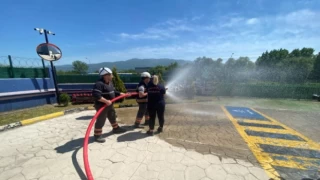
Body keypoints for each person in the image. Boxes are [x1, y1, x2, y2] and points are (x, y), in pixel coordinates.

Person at [92, 67, 129, 143]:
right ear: (105, 75)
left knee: (112, 116)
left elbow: (113, 91)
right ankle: (97, 135)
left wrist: (120, 93)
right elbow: (96, 95)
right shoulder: (99, 84)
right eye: (111, 74)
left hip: (109, 105)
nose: (112, 76)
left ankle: (116, 129)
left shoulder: (110, 83)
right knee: (101, 120)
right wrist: (105, 101)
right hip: (101, 106)